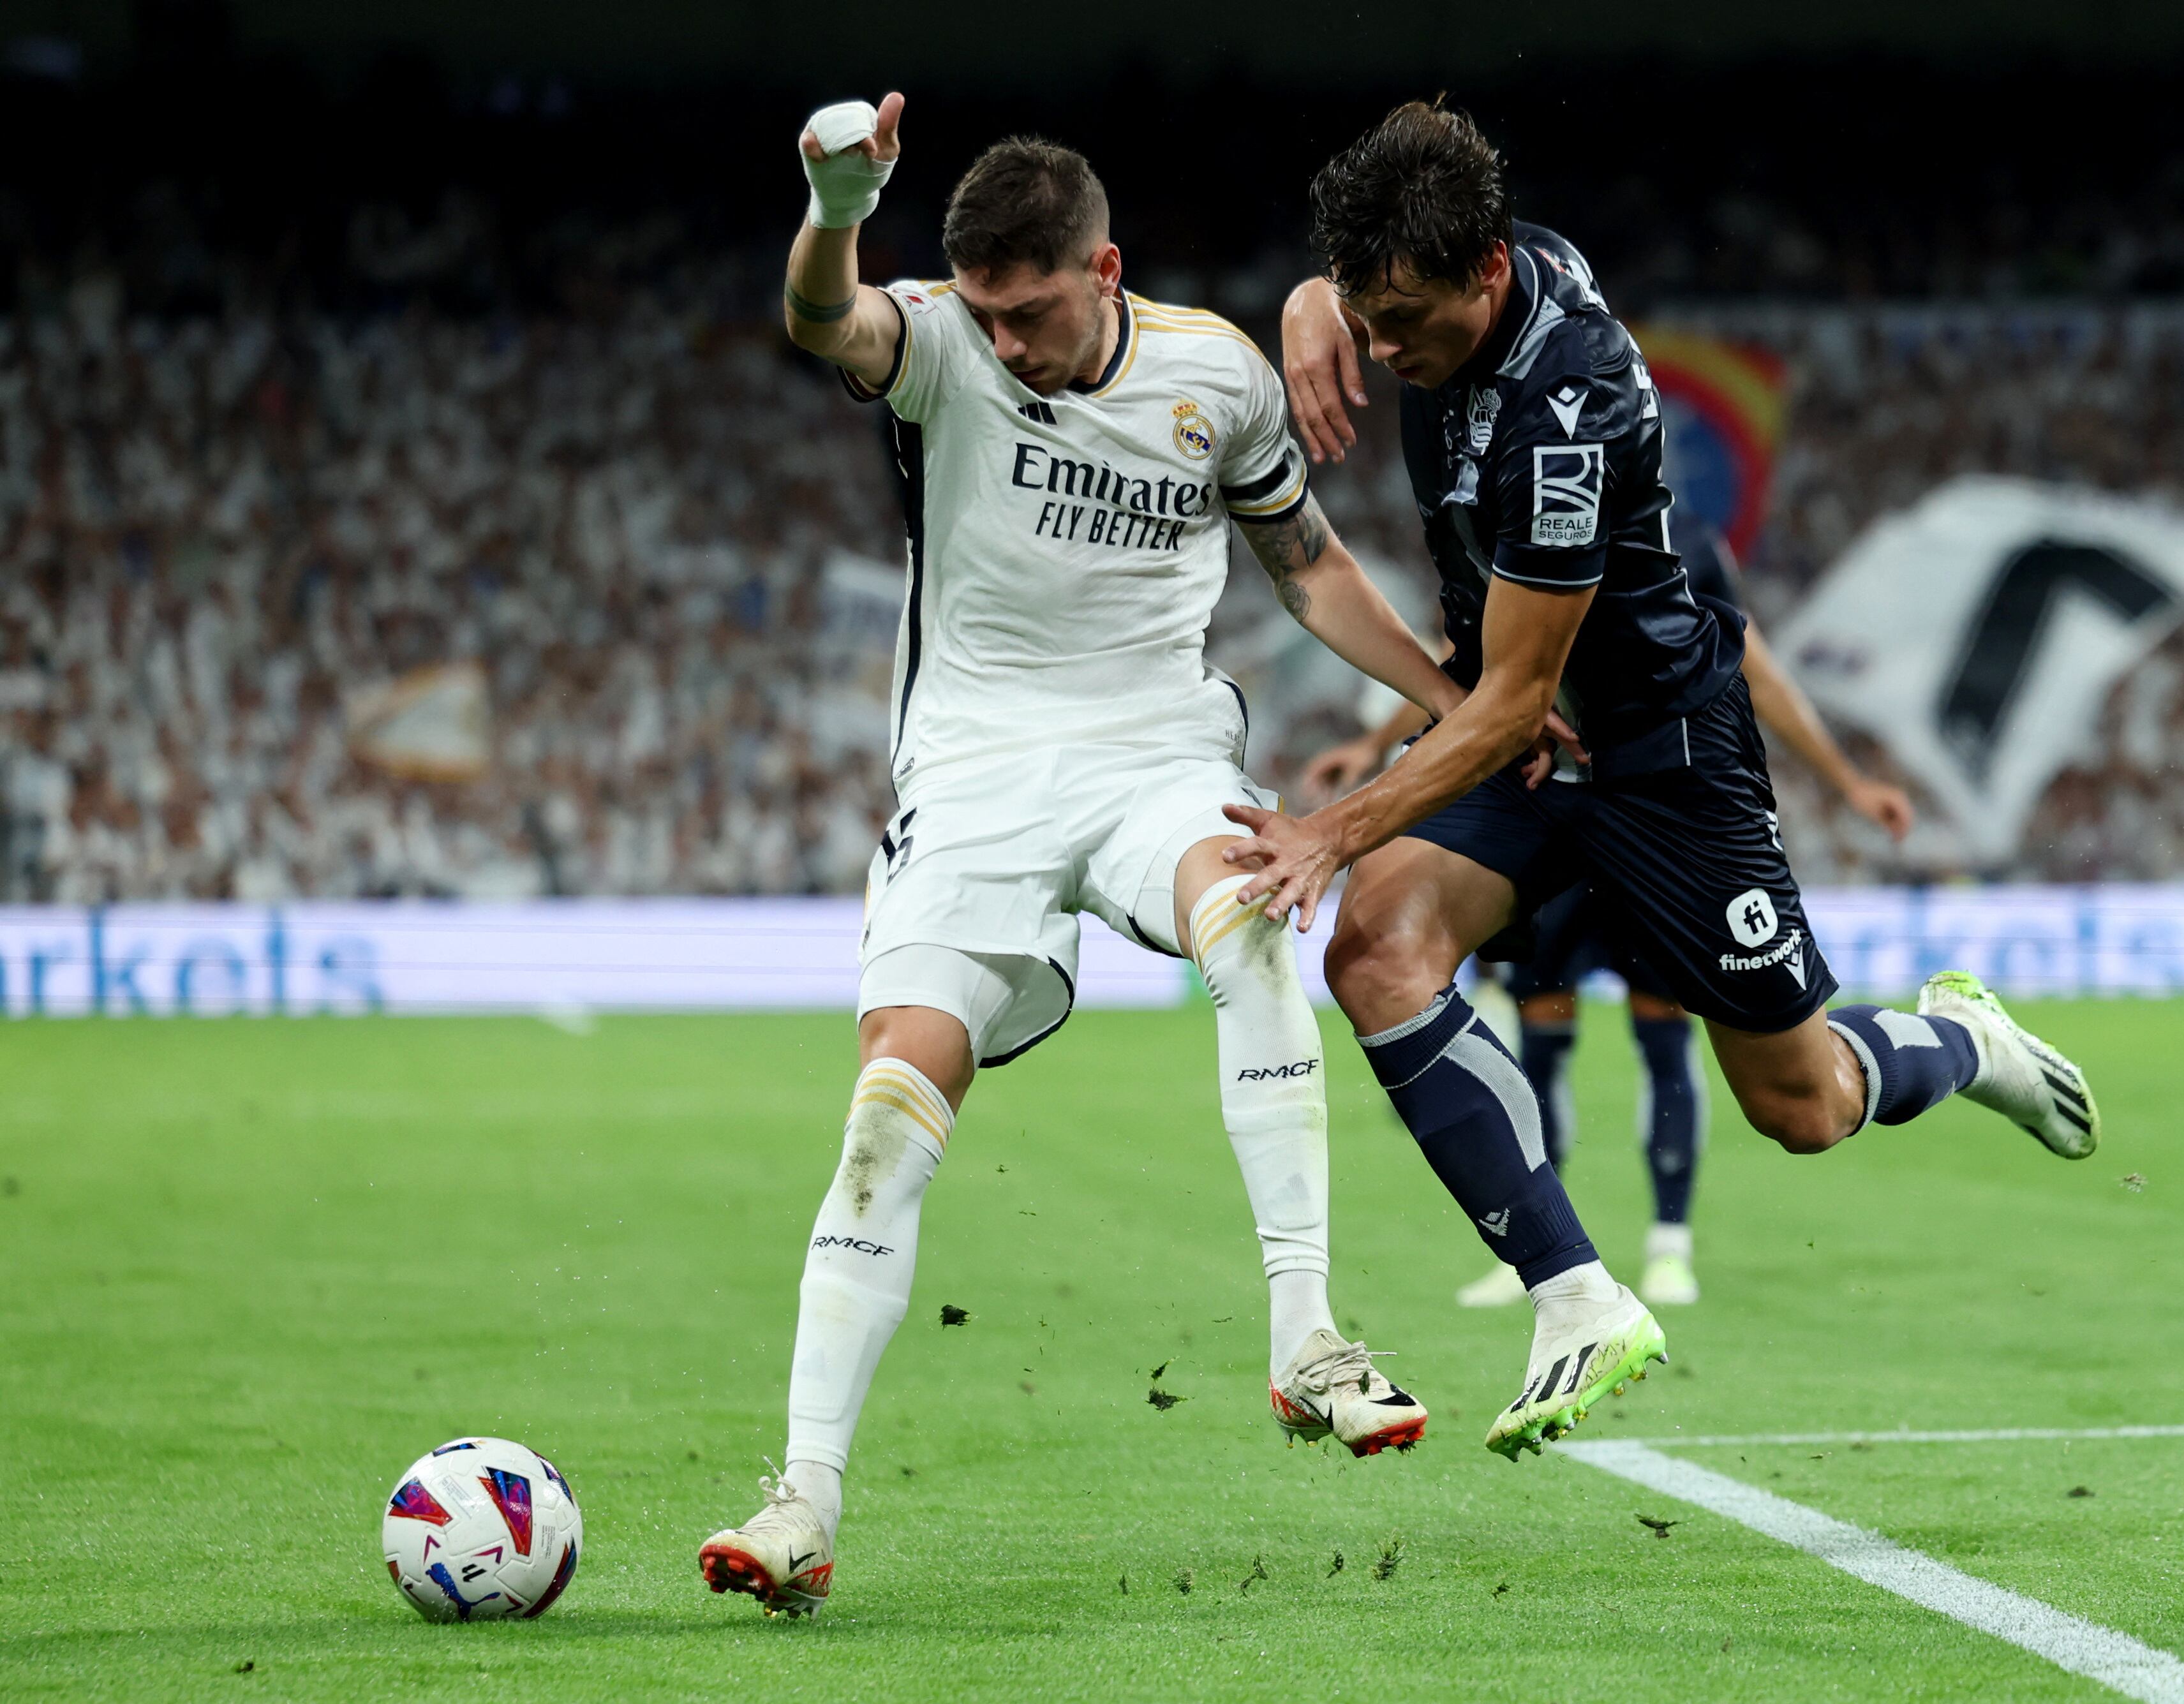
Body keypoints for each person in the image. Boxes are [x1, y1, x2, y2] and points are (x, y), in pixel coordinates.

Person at [1226, 101, 2099, 1462]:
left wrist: (1328, 828)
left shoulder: (1568, 415)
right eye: (1369, 318)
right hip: (1525, 736)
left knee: (1801, 1106)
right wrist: (1308, 302)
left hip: (1652, 750)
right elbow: (1375, 290)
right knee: (1381, 951)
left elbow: (1514, 697)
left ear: (1490, 275)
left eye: (1406, 325)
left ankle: (1962, 1041)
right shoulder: (1472, 264)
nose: (1384, 352)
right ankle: (1577, 1295)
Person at [699, 95, 1466, 1615]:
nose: (1009, 341)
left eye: (1033, 311)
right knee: (886, 1109)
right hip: (973, 773)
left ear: (1102, 268)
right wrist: (837, 201)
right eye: (984, 309)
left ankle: (1307, 1337)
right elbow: (816, 317)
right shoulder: (941, 342)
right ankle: (804, 1498)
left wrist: (1453, 700)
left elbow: (1306, 571)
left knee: (1252, 920)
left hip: (1146, 752)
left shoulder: (1215, 379)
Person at [1298, 522, 1915, 1312]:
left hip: (1657, 816)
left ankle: (1669, 1244)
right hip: (1543, 807)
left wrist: (1847, 781)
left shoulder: (1680, 538)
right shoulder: (1512, 497)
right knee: (1543, 1038)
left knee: (1667, 1035)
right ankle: (1540, 1248)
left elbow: (1748, 666)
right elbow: (1480, 666)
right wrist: (1373, 740)